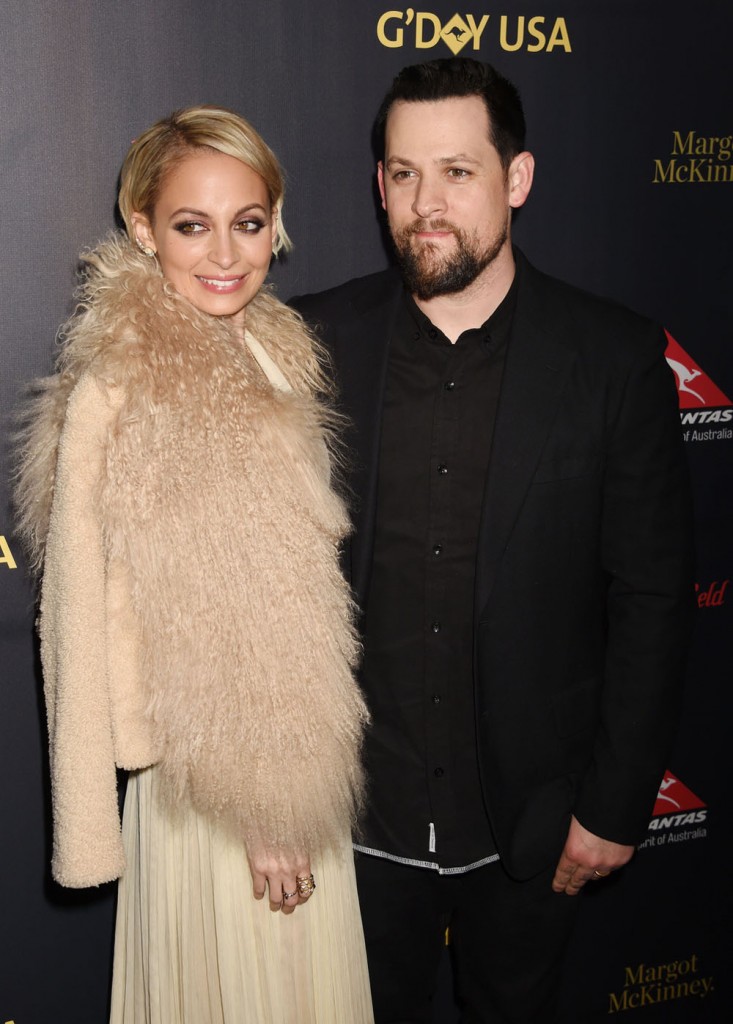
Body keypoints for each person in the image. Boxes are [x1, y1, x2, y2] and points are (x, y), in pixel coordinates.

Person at [291, 59, 694, 1023]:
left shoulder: (613, 358)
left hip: (532, 830)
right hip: (348, 831)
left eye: (457, 173)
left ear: (516, 180)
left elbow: (651, 594)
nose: (425, 204)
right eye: (402, 174)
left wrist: (613, 803)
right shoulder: (308, 344)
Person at [15, 106, 374, 1024]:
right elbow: (162, 621)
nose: (226, 253)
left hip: (285, 777)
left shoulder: (263, 350)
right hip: (228, 797)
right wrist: (267, 809)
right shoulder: (133, 381)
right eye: (191, 224)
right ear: (143, 228)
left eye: (248, 223)